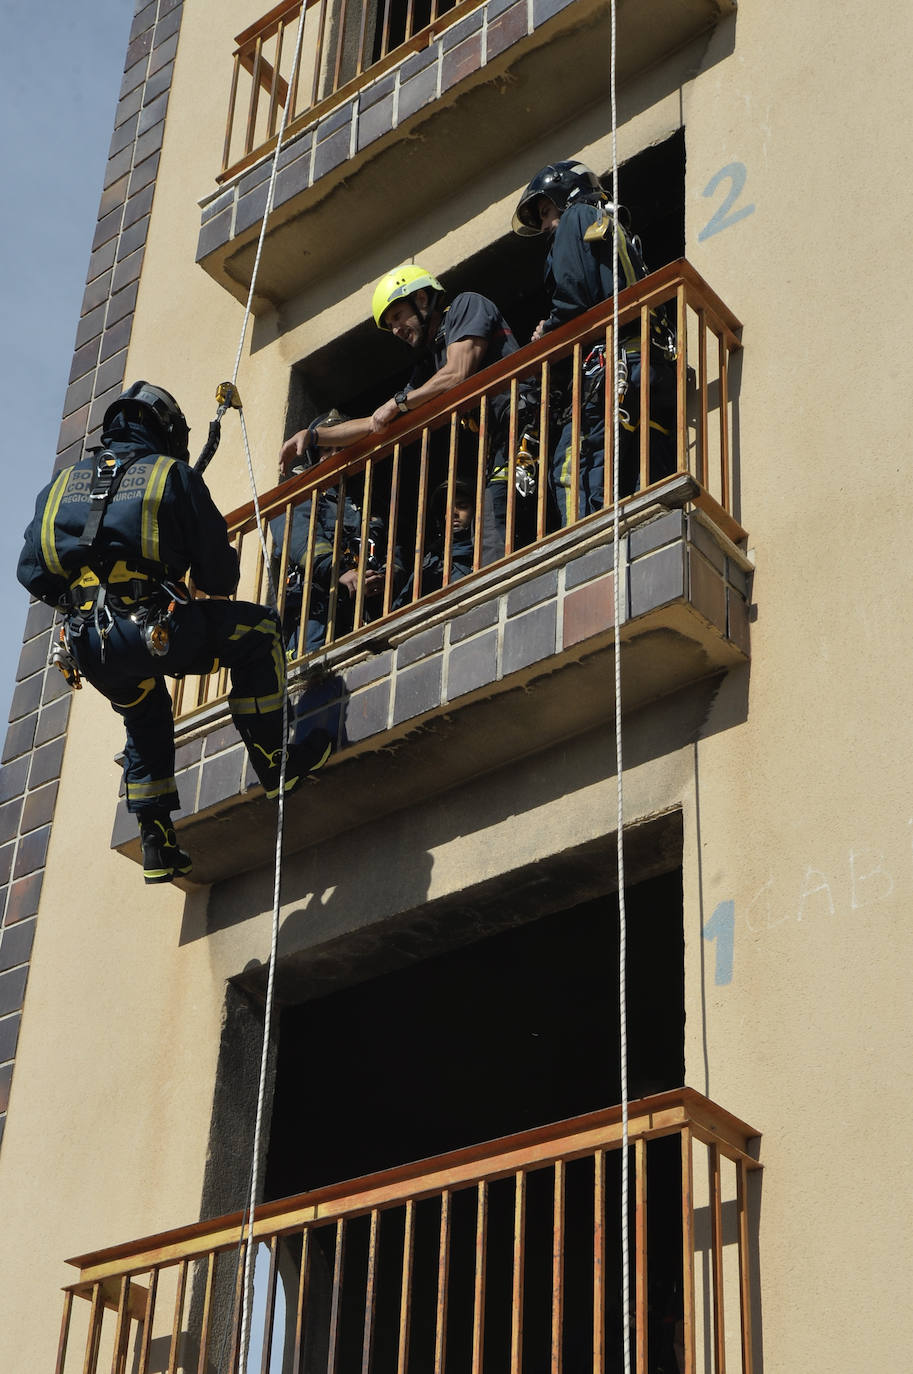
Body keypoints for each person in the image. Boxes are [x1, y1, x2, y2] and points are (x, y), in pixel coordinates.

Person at [17, 382, 331, 886]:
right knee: (259, 633)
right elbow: (218, 580)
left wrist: (87, 599)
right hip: (153, 629)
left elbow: (31, 572)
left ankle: (156, 842)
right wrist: (172, 565)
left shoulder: (58, 487)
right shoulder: (172, 475)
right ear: (163, 428)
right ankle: (276, 764)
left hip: (89, 648)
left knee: (145, 716)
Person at [279, 265, 521, 565]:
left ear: (421, 299)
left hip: (526, 421)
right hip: (500, 444)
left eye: (396, 317)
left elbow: (458, 373)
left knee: (497, 521)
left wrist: (401, 403)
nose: (396, 330)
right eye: (390, 325)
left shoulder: (465, 306)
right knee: (493, 527)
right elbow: (373, 424)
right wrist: (314, 435)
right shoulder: (429, 365)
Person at [512, 160, 676, 523]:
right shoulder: (610, 228)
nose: (545, 225)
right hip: (646, 368)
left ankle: (589, 553)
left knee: (573, 470)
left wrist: (547, 335)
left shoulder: (576, 217)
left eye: (544, 211)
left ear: (565, 195)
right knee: (637, 473)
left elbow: (574, 300)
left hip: (610, 369)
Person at [272, 411, 400, 655]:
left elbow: (393, 551)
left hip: (364, 618)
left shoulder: (369, 503)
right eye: (326, 450)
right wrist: (340, 571)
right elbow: (300, 539)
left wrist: (386, 577)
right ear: (315, 456)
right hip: (316, 618)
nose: (334, 456)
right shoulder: (298, 494)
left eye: (340, 448)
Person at [395, 477, 476, 608]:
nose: (454, 513)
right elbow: (402, 607)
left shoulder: (486, 551)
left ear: (475, 511)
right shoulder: (431, 560)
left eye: (462, 506)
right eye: (448, 509)